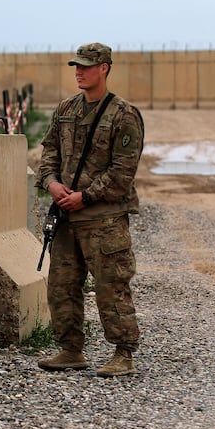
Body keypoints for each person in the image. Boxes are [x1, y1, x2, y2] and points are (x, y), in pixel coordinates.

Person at [36, 42, 144, 377]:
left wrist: (85, 196)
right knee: (62, 286)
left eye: (86, 66)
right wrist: (52, 184)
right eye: (76, 66)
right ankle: (70, 349)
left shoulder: (123, 115)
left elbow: (123, 172)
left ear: (104, 68)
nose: (79, 72)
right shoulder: (66, 109)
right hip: (67, 216)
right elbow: (49, 152)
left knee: (112, 286)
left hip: (103, 218)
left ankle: (123, 353)